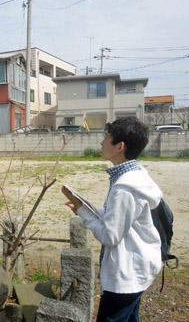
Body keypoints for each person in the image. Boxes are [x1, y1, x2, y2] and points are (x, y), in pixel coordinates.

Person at [62, 116, 162, 322]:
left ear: (120, 146)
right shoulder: (133, 175)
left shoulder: (125, 188)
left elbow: (110, 236)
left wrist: (84, 213)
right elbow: (120, 218)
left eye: (107, 137)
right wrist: (85, 207)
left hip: (127, 275)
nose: (101, 142)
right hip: (136, 268)